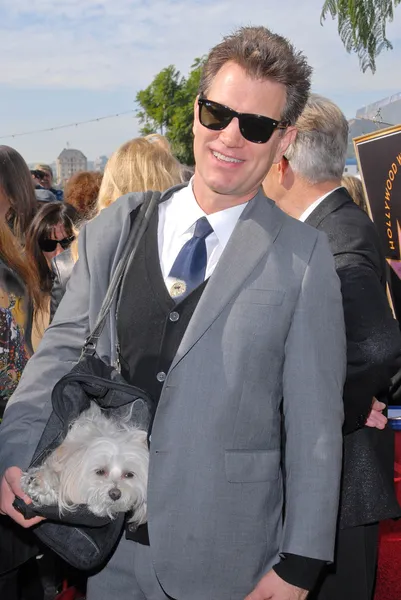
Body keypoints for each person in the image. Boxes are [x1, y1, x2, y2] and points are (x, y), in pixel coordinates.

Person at [0, 27, 347, 600]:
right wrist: (14, 454)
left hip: (229, 556)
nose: (230, 137)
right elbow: (58, 354)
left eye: (256, 125)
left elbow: (315, 428)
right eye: (217, 113)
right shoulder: (118, 228)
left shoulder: (304, 258)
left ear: (283, 140)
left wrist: (301, 565)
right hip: (103, 549)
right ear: (195, 111)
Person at [263, 94, 401, 600]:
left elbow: (376, 344)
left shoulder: (333, 236)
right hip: (339, 486)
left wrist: (340, 407)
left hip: (341, 489)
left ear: (284, 162)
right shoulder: (329, 225)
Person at [50, 134, 184, 320]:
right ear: (171, 182)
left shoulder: (72, 261)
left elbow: (61, 341)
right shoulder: (190, 257)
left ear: (110, 186)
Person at [25, 202, 80, 350]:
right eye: (48, 244)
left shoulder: (95, 292)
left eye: (67, 242)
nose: (59, 253)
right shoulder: (26, 294)